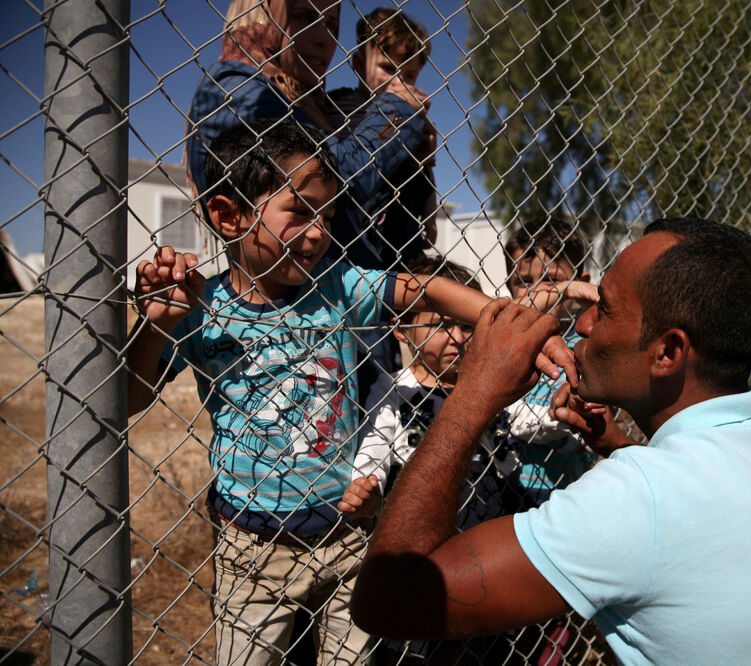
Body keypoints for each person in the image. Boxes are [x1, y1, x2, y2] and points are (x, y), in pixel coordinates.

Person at [126, 119, 568, 665]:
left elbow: (421, 288)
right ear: (228, 216)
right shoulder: (199, 311)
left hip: (349, 535)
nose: (318, 232)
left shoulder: (338, 287)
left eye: (328, 216)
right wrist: (158, 323)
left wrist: (514, 325)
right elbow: (129, 396)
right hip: (251, 548)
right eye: (300, 211)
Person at [350, 218, 751, 665]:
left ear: (667, 353)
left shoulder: (633, 499)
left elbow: (386, 601)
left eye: (603, 308)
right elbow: (691, 509)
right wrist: (609, 438)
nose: (580, 323)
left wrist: (472, 396)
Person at [343, 256, 517, 663]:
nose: (456, 337)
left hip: (486, 551)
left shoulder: (484, 390)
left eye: (466, 326)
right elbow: (375, 447)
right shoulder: (393, 393)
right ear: (402, 330)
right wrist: (366, 489)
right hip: (425, 560)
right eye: (440, 325)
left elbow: (516, 437)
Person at [186, 0, 430, 270]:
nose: (324, 39)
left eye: (331, 24)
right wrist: (399, 111)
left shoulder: (309, 103)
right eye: (305, 17)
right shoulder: (239, 90)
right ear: (263, 18)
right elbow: (339, 174)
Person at [329, 7, 438, 270]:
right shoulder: (335, 105)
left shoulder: (413, 116)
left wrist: (430, 215)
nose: (398, 82)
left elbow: (424, 169)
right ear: (358, 64)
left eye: (409, 75)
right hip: (351, 224)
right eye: (388, 68)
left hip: (397, 226)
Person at [504, 218, 597, 510]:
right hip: (505, 485)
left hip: (567, 491)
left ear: (580, 284)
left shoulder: (584, 348)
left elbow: (575, 428)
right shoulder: (504, 346)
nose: (538, 293)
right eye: (525, 282)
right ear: (510, 286)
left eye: (552, 280)